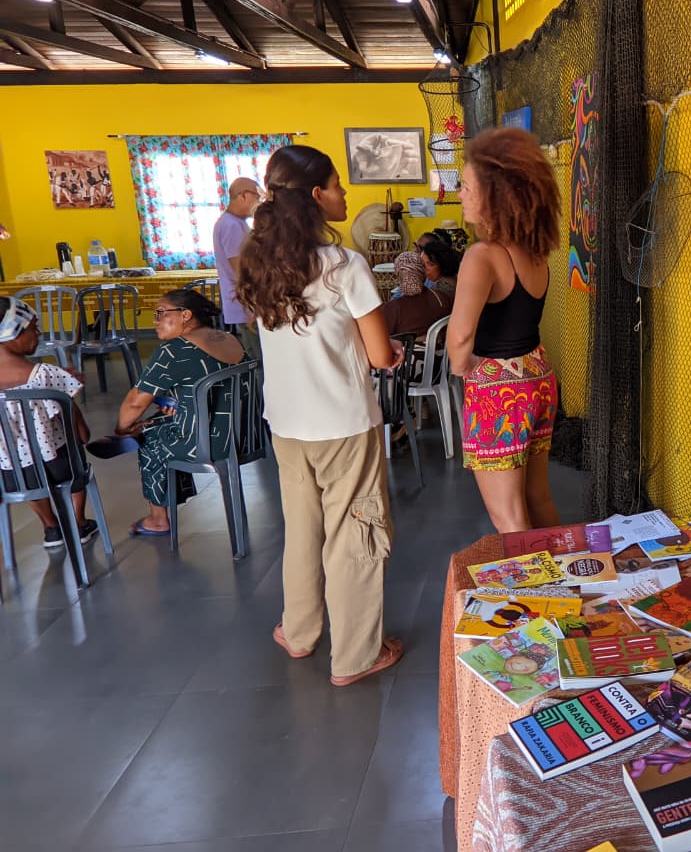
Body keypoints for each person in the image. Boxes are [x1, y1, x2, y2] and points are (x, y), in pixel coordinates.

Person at [236, 143, 406, 688]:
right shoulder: (344, 266)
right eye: (336, 184)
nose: (345, 192)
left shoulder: (257, 261)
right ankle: (356, 655)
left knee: (303, 529)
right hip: (343, 423)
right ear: (316, 195)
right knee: (355, 533)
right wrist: (390, 352)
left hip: (287, 423)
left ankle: (300, 631)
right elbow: (378, 354)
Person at [447, 127, 561, 534]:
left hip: (499, 392)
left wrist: (461, 366)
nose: (460, 194)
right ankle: (571, 569)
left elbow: (461, 336)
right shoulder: (534, 251)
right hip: (538, 377)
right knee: (538, 498)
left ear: (495, 195)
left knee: (508, 516)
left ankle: (536, 579)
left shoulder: (482, 256)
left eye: (467, 186)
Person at [114, 289, 245, 536]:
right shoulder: (230, 338)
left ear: (185, 315)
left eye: (161, 313)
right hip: (244, 437)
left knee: (149, 436)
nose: (155, 320)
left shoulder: (174, 350)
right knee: (162, 422)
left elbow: (134, 404)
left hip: (211, 444)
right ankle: (169, 502)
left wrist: (122, 430)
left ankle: (159, 518)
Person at [0, 298, 97, 550]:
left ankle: (51, 527)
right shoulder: (45, 374)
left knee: (22, 460)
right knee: (73, 449)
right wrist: (65, 386)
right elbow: (83, 434)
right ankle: (77, 522)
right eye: (33, 327)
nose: (39, 333)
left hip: (10, 476)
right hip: (58, 468)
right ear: (11, 332)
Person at [213, 177, 262, 351]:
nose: (259, 203)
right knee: (259, 360)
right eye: (257, 197)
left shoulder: (236, 223)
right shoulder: (231, 225)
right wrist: (253, 306)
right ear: (244, 195)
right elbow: (241, 270)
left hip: (247, 304)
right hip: (247, 306)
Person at [380, 245, 458, 339]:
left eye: (430, 264)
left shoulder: (393, 308)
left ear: (397, 274)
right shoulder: (441, 299)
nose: (426, 269)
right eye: (423, 265)